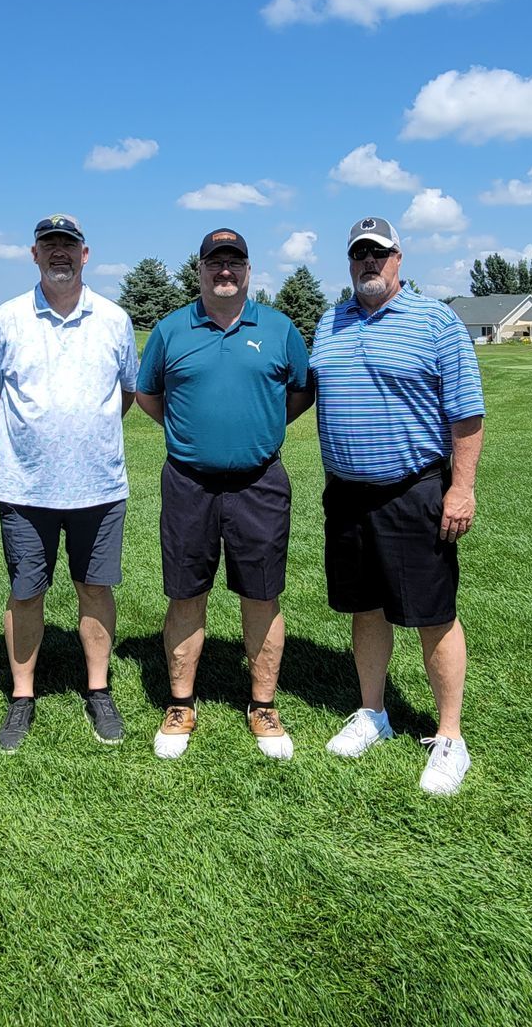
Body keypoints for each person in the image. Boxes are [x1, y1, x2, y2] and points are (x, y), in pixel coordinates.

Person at [308, 215, 485, 795]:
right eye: (359, 253)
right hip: (348, 494)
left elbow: (467, 414)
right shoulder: (330, 321)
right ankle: (372, 713)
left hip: (414, 492)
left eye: (378, 254)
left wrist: (460, 488)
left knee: (432, 613)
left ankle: (450, 738)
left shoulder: (436, 322)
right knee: (365, 608)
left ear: (399, 258)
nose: (368, 263)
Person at [134, 229, 314, 761]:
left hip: (260, 482)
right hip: (188, 482)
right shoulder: (170, 330)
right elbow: (149, 394)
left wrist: (257, 430)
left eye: (234, 262)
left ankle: (262, 704)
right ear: (200, 270)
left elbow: (300, 391)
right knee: (186, 591)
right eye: (215, 263)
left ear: (249, 269)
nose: (225, 272)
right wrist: (192, 434)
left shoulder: (279, 329)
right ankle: (181, 702)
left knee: (262, 593)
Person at [0, 214, 139, 753]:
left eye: (69, 245)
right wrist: (26, 439)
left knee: (96, 588)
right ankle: (22, 697)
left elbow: (128, 394)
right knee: (27, 592)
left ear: (85, 255)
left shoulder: (114, 319)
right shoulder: (6, 319)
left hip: (99, 486)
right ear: (35, 254)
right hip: (25, 489)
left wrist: (84, 435)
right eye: (50, 245)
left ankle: (98, 689)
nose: (60, 253)